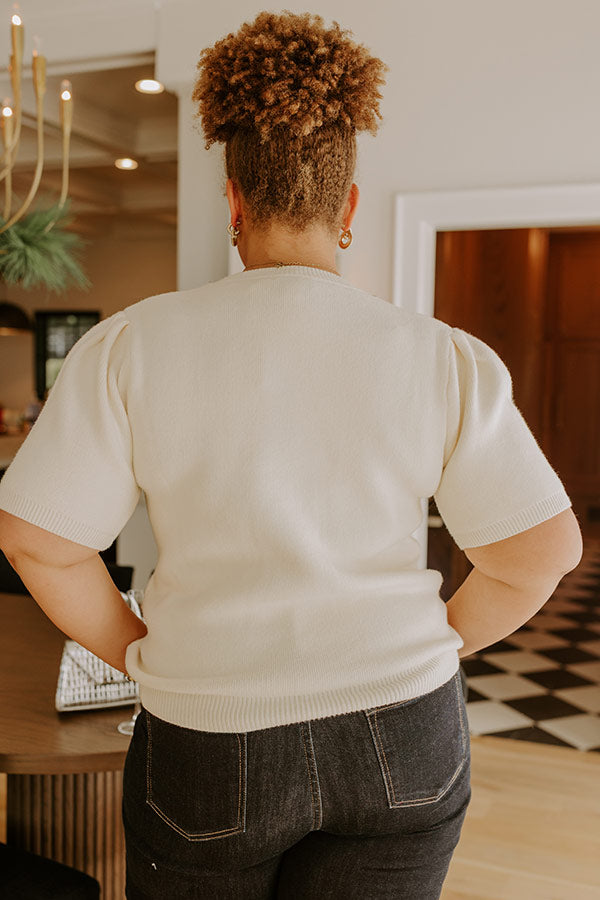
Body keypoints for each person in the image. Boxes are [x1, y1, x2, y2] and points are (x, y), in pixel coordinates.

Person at [0, 10, 582, 900]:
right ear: (349, 208)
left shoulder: (130, 346)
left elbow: (37, 541)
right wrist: (424, 650)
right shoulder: (441, 356)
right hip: (405, 735)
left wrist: (141, 650)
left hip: (207, 736)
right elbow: (543, 550)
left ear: (233, 203)